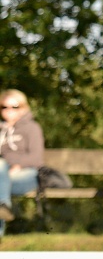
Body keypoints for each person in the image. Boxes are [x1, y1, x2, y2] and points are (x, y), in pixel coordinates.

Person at [0, 89, 44, 236]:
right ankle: (3, 206)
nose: (9, 110)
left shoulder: (32, 128)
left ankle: (3, 205)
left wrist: (16, 165)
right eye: (4, 107)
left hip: (27, 175)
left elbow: (36, 158)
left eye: (14, 107)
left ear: (23, 108)